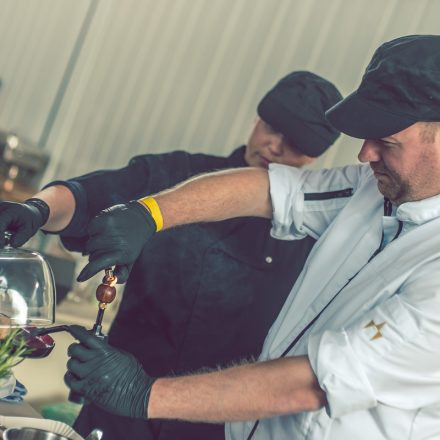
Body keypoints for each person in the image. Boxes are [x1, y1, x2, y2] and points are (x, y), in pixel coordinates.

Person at [57, 34, 440, 439]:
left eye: (386, 142)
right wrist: (150, 214)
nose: (365, 155)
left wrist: (144, 394)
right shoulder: (375, 190)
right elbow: (274, 191)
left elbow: (311, 383)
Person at [0, 71, 342, 439]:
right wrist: (39, 210)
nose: (274, 146)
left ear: (313, 157)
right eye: (270, 128)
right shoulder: (179, 176)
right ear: (257, 120)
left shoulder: (317, 238)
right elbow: (90, 196)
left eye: (293, 144)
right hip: (116, 402)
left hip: (217, 424)